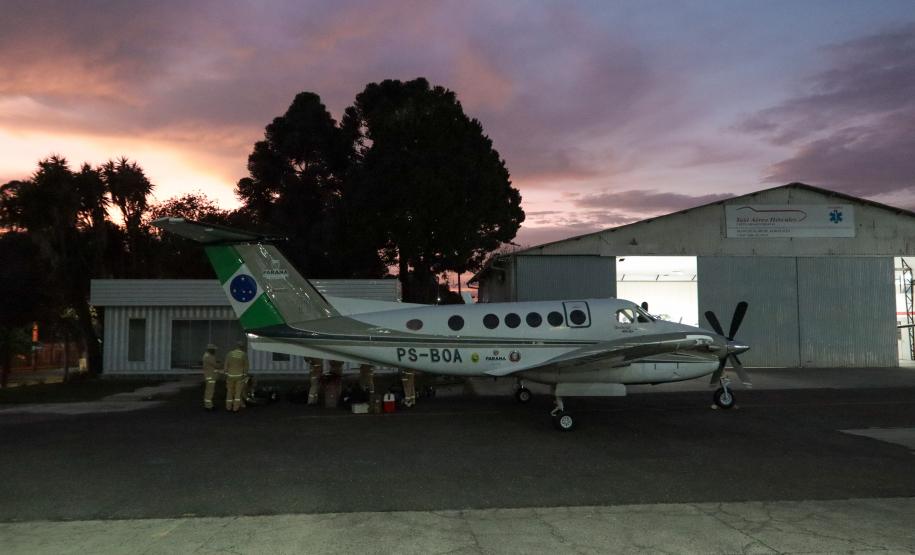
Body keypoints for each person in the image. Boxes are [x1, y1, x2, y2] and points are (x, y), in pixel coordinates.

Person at [224, 341, 249, 412]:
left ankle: (228, 407)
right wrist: (245, 374)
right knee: (238, 392)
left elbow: (226, 364)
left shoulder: (229, 353)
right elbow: (246, 366)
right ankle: (235, 408)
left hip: (230, 376)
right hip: (239, 376)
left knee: (229, 391)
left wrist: (226, 373)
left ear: (236, 346)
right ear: (242, 347)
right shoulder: (244, 354)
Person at [202, 343, 221, 410]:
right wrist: (219, 363)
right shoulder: (209, 356)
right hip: (210, 376)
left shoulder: (207, 355)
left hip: (209, 376)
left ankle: (208, 405)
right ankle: (209, 406)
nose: (215, 351)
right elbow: (216, 366)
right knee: (210, 391)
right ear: (211, 350)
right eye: (214, 349)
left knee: (209, 391)